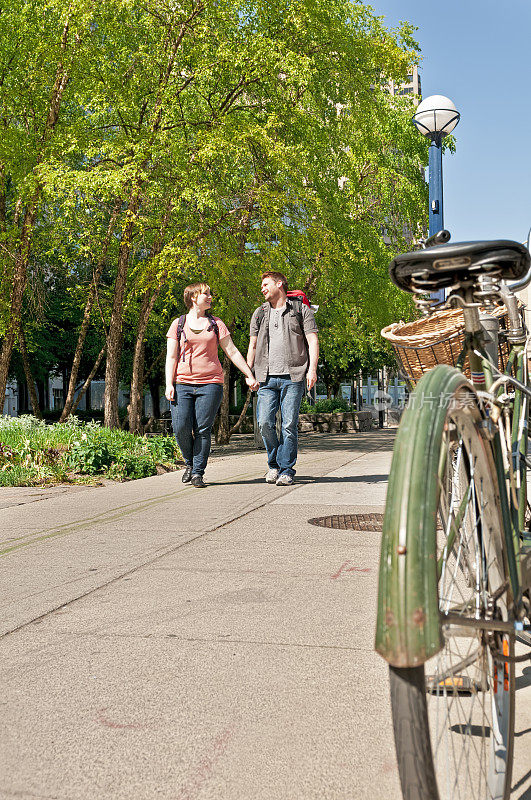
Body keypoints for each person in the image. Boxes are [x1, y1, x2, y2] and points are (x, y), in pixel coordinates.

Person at [165, 282, 258, 488]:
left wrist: (249, 375)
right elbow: (171, 356)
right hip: (182, 384)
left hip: (211, 384)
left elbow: (232, 351)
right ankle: (190, 463)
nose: (210, 297)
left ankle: (198, 472)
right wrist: (168, 383)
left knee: (203, 430)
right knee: (180, 428)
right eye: (205, 294)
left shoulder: (216, 323)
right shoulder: (178, 324)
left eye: (210, 294)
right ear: (192, 298)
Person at [247, 271, 319, 486]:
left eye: (265, 284)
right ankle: (274, 464)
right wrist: (248, 373)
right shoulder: (259, 313)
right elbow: (251, 345)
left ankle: (286, 469)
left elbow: (312, 340)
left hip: (294, 375)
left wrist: (312, 370)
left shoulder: (301, 310)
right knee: (265, 423)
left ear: (279, 284)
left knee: (288, 425)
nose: (262, 288)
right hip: (266, 378)